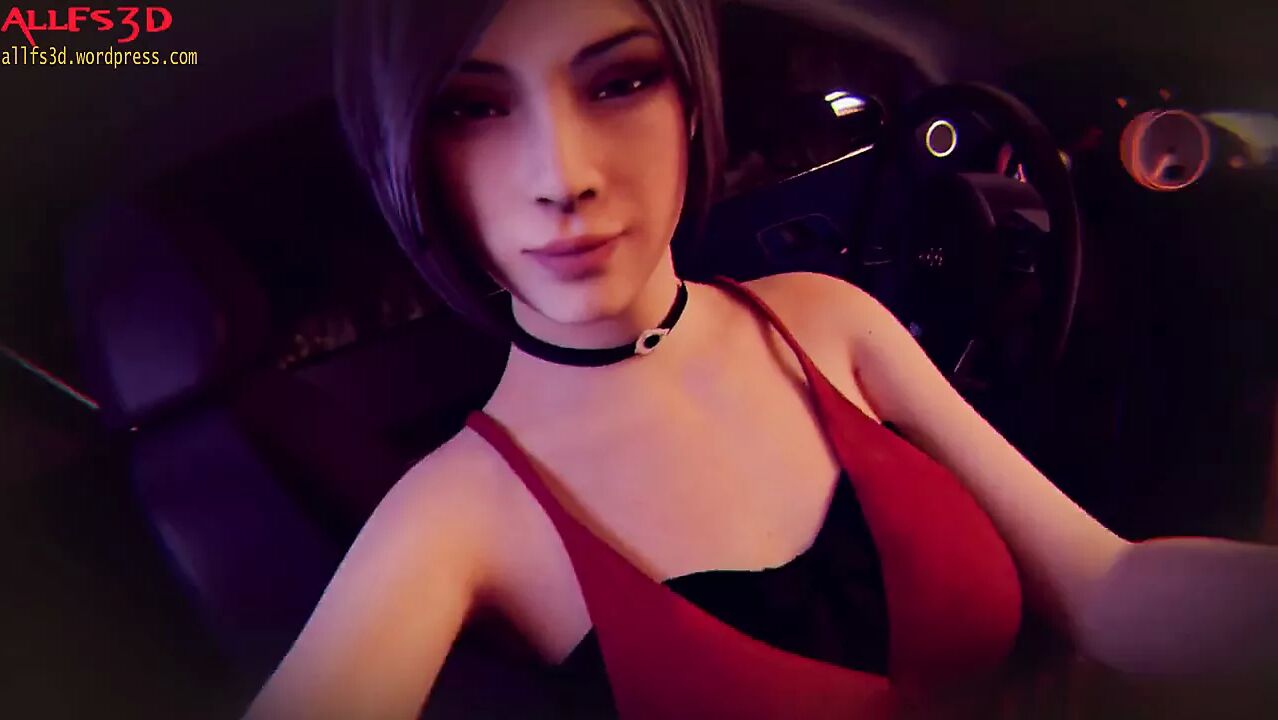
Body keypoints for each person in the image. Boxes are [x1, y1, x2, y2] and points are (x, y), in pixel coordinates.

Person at [244, 0, 1278, 717]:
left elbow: (1105, 585)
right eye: (473, 108)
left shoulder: (827, 320)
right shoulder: (451, 516)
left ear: (690, 101)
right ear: (411, 155)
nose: (564, 175)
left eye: (620, 81)